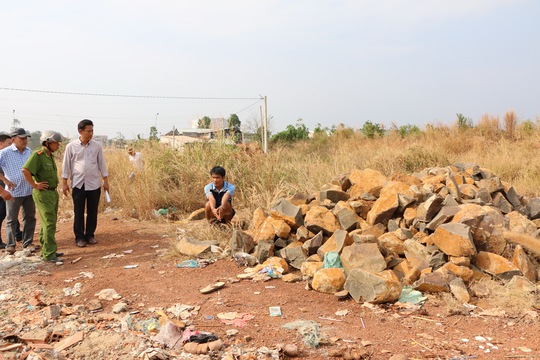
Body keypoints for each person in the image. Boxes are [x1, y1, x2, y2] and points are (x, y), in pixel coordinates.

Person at [62, 119, 109, 248]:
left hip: (94, 184)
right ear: (80, 131)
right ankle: (79, 237)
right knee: (79, 212)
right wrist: (64, 183)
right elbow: (66, 165)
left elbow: (102, 164)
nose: (91, 133)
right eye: (88, 131)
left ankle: (90, 235)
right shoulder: (71, 146)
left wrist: (106, 182)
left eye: (92, 130)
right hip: (78, 184)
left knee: (92, 211)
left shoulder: (97, 146)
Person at [22, 131, 64, 264]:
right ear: (47, 142)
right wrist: (34, 185)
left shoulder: (49, 155)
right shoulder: (38, 155)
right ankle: (49, 254)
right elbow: (25, 170)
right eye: (55, 143)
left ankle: (47, 248)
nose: (57, 145)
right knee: (49, 223)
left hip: (52, 192)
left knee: (48, 222)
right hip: (44, 193)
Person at [0, 128, 36, 254]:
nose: (24, 140)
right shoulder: (4, 153)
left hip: (29, 191)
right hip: (13, 192)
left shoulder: (29, 151)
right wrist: (4, 180)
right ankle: (11, 245)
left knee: (30, 217)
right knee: (11, 219)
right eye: (22, 138)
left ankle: (28, 243)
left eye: (26, 138)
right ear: (14, 139)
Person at [0, 132, 23, 249]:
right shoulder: (2, 155)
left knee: (11, 212)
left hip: (9, 190)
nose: (11, 145)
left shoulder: (10, 155)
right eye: (9, 143)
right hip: (2, 190)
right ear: (0, 144)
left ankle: (18, 234)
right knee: (3, 213)